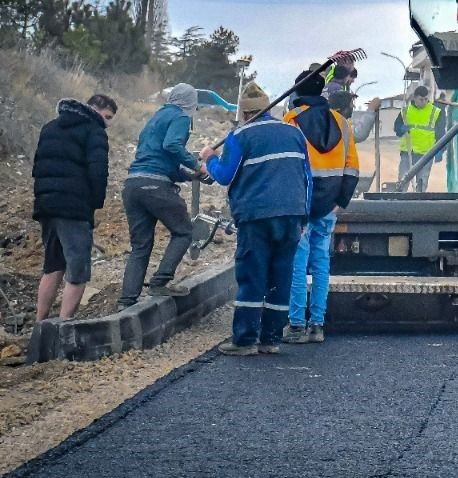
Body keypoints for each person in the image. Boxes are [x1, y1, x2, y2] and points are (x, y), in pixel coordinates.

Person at [200, 82, 312, 356]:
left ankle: (245, 340)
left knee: (253, 275)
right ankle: (271, 339)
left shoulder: (239, 136)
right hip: (292, 214)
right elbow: (307, 177)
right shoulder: (294, 133)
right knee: (280, 276)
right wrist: (304, 216)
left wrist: (209, 159)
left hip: (256, 216)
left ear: (245, 112)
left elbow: (225, 175)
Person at [281, 69, 360, 344]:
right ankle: (317, 325)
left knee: (298, 264)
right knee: (321, 263)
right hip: (329, 204)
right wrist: (340, 201)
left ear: (298, 92)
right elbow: (352, 168)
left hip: (301, 204)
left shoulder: (291, 120)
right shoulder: (341, 122)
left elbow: (287, 167)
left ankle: (295, 325)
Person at [32, 94, 118, 321]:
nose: (107, 123)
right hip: (74, 207)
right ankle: (64, 326)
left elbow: (38, 165)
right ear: (96, 109)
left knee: (53, 266)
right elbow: (98, 172)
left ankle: (40, 324)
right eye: (107, 116)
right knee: (78, 270)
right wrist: (94, 205)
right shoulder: (93, 131)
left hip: (47, 206)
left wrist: (43, 198)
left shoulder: (50, 127)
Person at [118, 83, 202, 308]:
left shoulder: (155, 119)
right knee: (184, 231)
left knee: (141, 245)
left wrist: (192, 176)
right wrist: (197, 165)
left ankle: (127, 301)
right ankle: (160, 281)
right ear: (190, 102)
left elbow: (162, 158)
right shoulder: (181, 116)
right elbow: (172, 145)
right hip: (156, 187)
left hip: (133, 185)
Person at [394, 85, 445, 192]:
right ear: (415, 98)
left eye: (426, 99)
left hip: (426, 154)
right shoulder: (406, 111)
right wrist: (401, 129)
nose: (424, 102)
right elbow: (397, 128)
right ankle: (400, 204)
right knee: (402, 182)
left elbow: (440, 132)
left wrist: (440, 149)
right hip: (408, 152)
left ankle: (418, 205)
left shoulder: (435, 112)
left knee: (422, 184)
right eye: (421, 99)